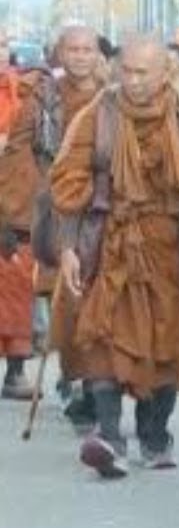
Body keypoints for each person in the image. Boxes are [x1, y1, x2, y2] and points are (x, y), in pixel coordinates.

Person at [49, 35, 179, 478]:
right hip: (110, 243)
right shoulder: (98, 117)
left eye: (144, 72)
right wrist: (68, 247)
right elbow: (69, 183)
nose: (133, 80)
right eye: (126, 70)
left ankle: (155, 435)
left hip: (168, 249)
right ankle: (109, 437)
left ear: (167, 74)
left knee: (165, 344)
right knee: (102, 337)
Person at [12, 26, 106, 430]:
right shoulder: (41, 98)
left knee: (100, 302)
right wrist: (24, 210)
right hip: (59, 209)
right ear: (59, 54)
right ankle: (78, 376)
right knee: (65, 301)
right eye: (73, 49)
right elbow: (18, 155)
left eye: (88, 49)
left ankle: (96, 385)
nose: (81, 56)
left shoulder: (113, 96)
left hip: (104, 211)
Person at [0, 27, 40, 399]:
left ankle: (15, 372)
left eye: (1, 46)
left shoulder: (23, 95)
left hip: (11, 203)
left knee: (15, 287)